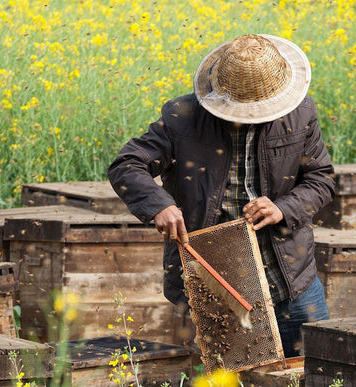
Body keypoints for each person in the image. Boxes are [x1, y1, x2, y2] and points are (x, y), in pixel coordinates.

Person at [108, 34, 335, 357]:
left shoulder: (301, 114)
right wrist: (160, 205)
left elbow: (321, 179)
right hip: (214, 281)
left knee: (316, 371)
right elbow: (126, 164)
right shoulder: (182, 117)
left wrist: (283, 208)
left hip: (291, 278)